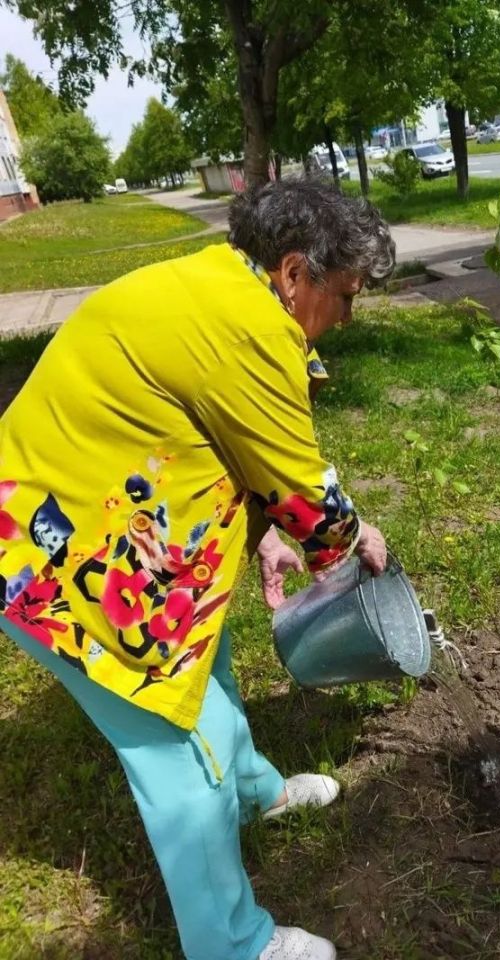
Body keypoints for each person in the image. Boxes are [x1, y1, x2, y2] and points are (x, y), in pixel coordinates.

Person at [0, 179, 395, 960]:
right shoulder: (249, 331)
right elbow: (303, 490)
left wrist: (257, 538)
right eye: (346, 297)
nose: (348, 318)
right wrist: (351, 536)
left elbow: (209, 434)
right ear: (294, 273)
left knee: (206, 664)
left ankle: (254, 792)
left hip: (106, 524)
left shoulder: (219, 287)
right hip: (62, 563)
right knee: (183, 750)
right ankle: (232, 943)